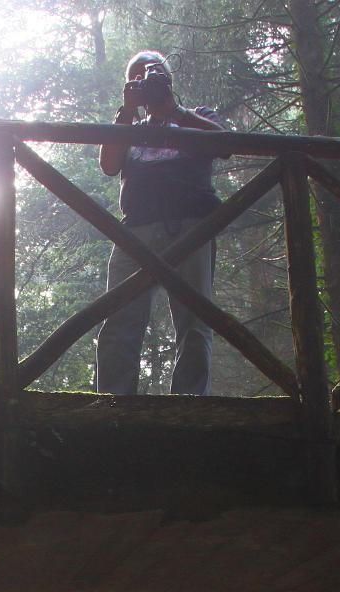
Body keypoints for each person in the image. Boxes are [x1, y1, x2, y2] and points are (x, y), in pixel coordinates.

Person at [95, 51, 227, 395]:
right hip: (136, 228)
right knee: (119, 319)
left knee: (195, 322)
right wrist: (127, 111)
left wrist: (174, 112)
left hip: (192, 225)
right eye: (137, 79)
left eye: (153, 77)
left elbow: (225, 143)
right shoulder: (127, 127)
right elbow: (109, 165)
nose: (145, 84)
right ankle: (113, 407)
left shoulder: (196, 116)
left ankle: (189, 406)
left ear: (168, 82)